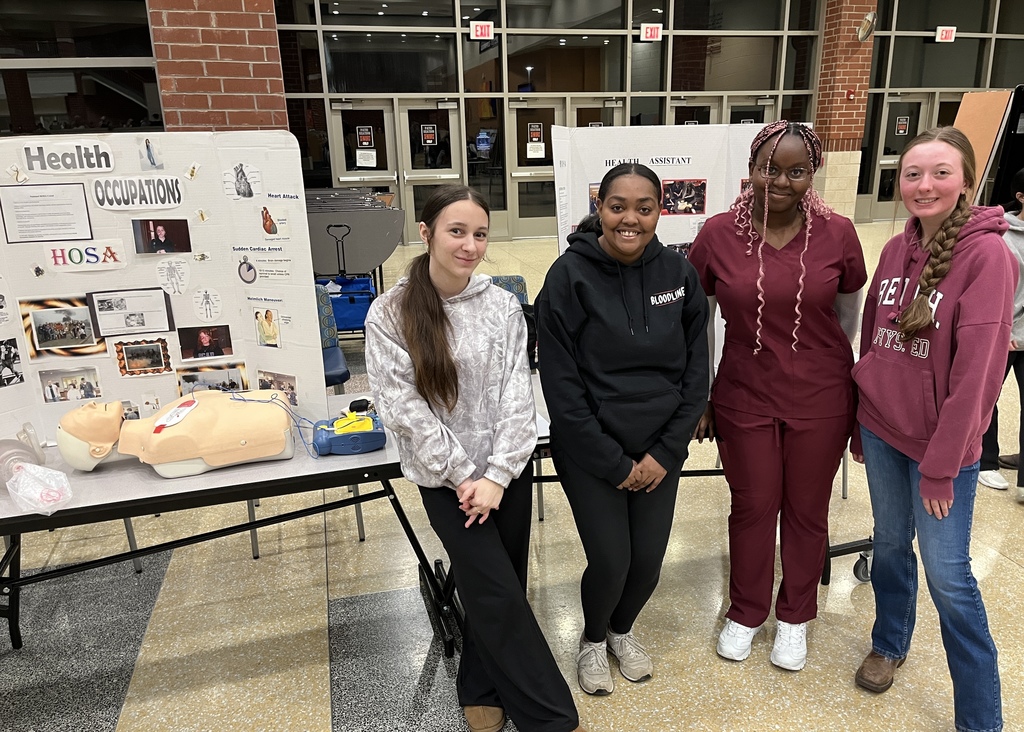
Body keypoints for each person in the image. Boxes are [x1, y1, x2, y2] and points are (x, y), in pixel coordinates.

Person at [365, 185, 583, 732]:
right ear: (426, 233)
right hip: (447, 480)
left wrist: (499, 474)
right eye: (456, 231)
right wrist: (466, 475)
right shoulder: (390, 312)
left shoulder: (502, 305)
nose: (469, 245)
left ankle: (480, 685)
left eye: (480, 234)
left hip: (506, 472)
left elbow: (517, 394)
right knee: (496, 592)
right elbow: (402, 408)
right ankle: (552, 719)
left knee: (502, 582)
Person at [850, 126, 1014, 732]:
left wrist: (942, 468)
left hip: (941, 451)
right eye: (913, 173)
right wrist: (861, 419)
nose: (924, 185)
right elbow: (873, 335)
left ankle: (979, 717)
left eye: (941, 172)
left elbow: (978, 379)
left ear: (966, 180)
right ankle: (889, 642)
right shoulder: (897, 248)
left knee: (949, 576)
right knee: (890, 545)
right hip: (881, 430)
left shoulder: (989, 257)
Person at [688, 121, 867, 671]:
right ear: (751, 170)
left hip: (822, 396)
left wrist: (821, 363)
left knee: (808, 510)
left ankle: (795, 618)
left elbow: (848, 317)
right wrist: (701, 393)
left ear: (812, 175)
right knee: (753, 505)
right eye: (770, 168)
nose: (781, 181)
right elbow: (698, 322)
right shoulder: (718, 234)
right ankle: (746, 612)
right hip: (744, 393)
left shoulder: (838, 232)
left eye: (796, 171)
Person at [537, 163, 710, 696]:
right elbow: (561, 387)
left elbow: (696, 374)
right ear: (600, 209)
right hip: (591, 450)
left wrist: (665, 453)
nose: (630, 219)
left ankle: (620, 630)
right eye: (618, 207)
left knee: (649, 565)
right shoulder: (568, 276)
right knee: (612, 561)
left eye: (644, 208)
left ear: (660, 211)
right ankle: (592, 639)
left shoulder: (679, 274)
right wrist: (613, 462)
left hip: (660, 450)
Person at [978, 166, 1024, 497]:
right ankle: (985, 462)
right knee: (986, 395)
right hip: (1006, 332)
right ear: (1020, 196)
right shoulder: (1003, 235)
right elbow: (994, 287)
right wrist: (1002, 328)